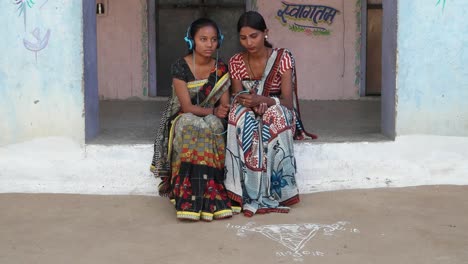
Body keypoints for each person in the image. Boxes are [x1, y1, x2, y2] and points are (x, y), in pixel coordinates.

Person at [224, 11, 317, 217]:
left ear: (265, 33)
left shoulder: (282, 58)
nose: (248, 42)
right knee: (238, 116)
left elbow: (287, 102)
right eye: (243, 37)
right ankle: (243, 191)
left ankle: (280, 189)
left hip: (276, 106)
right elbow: (238, 96)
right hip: (251, 106)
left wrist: (263, 101)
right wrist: (251, 104)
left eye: (254, 36)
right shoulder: (236, 62)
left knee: (276, 115)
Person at [150, 18, 233, 221]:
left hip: (210, 116)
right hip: (183, 116)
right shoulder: (180, 66)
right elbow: (186, 107)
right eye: (203, 39)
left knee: (213, 125)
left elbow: (224, 104)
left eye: (213, 39)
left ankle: (211, 194)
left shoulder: (220, 68)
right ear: (192, 41)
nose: (209, 44)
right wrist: (213, 112)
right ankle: (187, 196)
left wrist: (219, 112)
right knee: (191, 123)